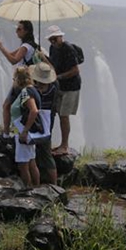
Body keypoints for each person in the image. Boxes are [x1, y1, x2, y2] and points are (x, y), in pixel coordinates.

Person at [46, 24, 81, 156]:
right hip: (59, 86)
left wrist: (58, 77)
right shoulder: (52, 48)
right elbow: (53, 65)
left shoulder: (68, 49)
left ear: (61, 36)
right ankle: (57, 144)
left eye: (55, 38)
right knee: (57, 114)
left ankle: (65, 146)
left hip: (71, 87)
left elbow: (76, 70)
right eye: (51, 39)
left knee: (64, 116)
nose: (53, 41)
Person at [8, 66, 42, 188]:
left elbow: (34, 111)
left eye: (14, 79)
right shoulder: (33, 89)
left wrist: (24, 131)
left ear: (18, 79)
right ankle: (37, 189)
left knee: (23, 164)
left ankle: (28, 190)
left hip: (24, 131)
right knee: (32, 162)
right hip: (27, 130)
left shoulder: (26, 92)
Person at [29, 61, 58, 185]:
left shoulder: (33, 90)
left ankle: (35, 183)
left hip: (34, 121)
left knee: (31, 152)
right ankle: (55, 184)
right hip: (48, 121)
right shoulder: (54, 87)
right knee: (47, 154)